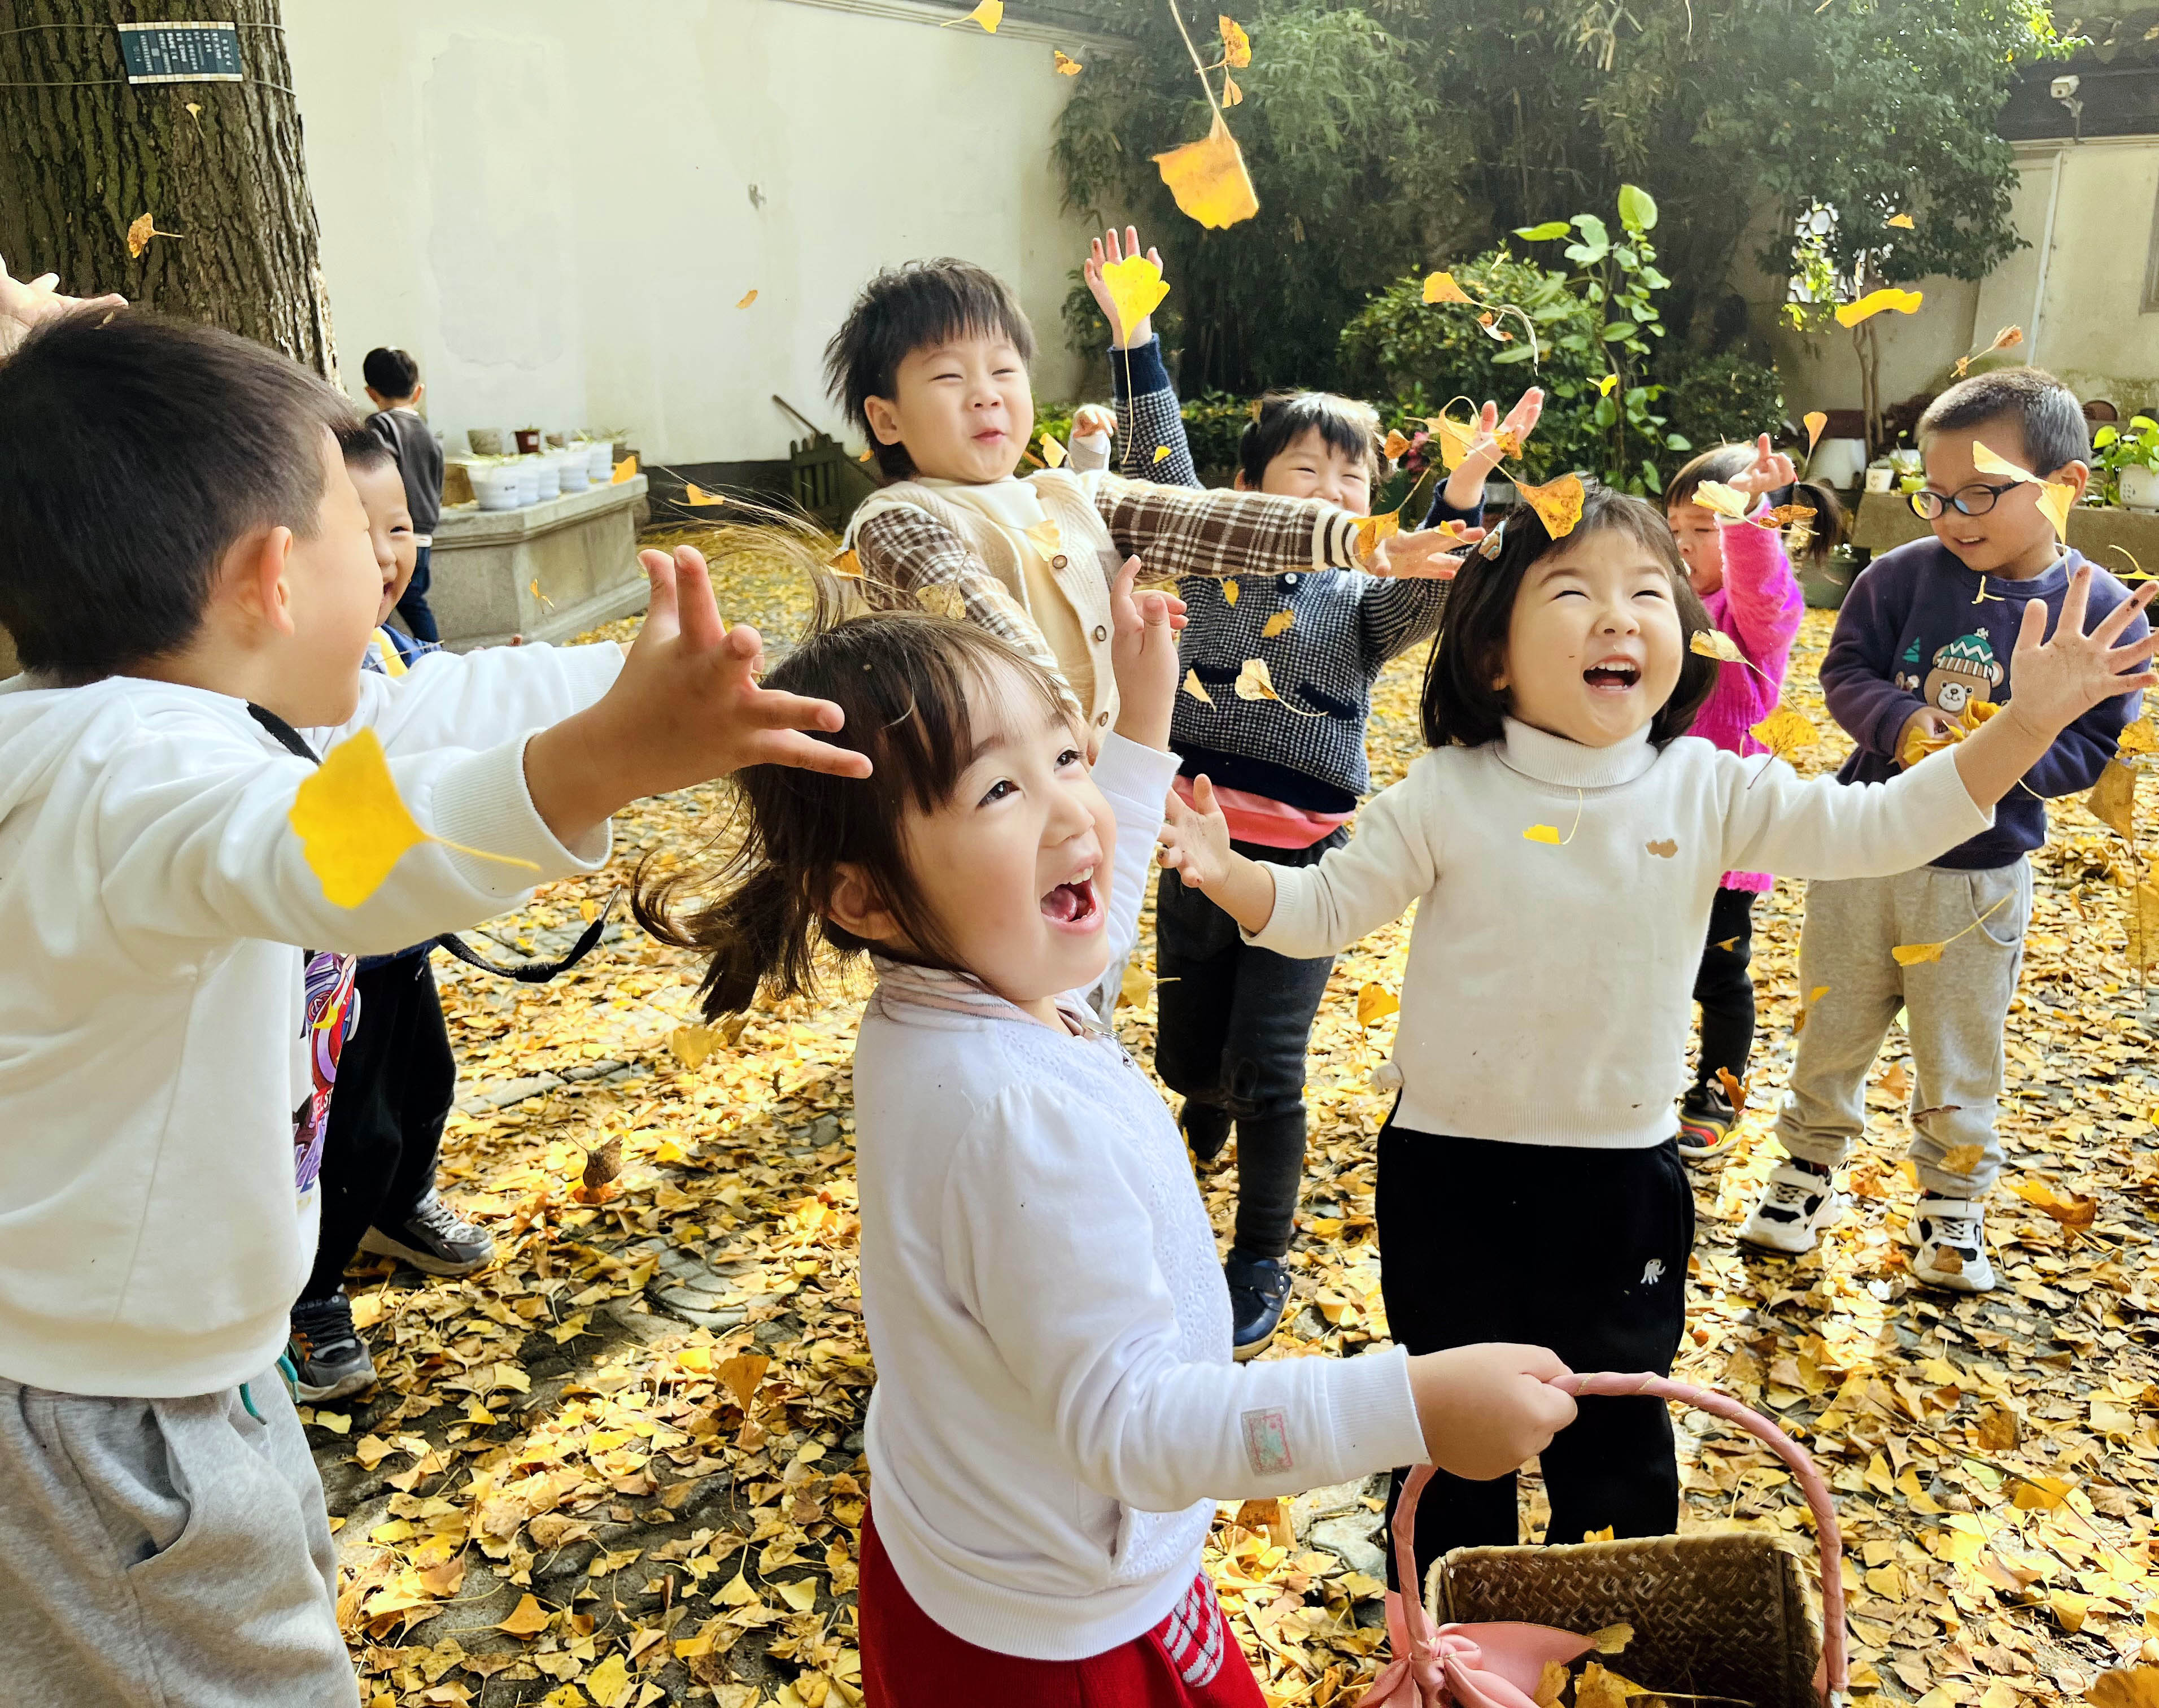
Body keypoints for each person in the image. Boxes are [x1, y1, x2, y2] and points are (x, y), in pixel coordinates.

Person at [0, 296, 867, 1708]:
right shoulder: (132, 771)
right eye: (374, 545)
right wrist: (594, 767)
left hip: (176, 1365)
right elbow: (326, 855)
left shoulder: (185, 716)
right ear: (276, 577)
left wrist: (686, 689)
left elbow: (433, 716)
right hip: (104, 1420)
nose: (397, 578)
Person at [1156, 477, 2159, 1583]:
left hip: (1620, 1181)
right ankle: (1449, 1622)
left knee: (1617, 1430)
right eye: (1574, 591)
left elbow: (1889, 823)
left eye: (1649, 589)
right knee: (1449, 1428)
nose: (1619, 614)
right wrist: (1230, 876)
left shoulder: (1708, 788)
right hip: (1444, 1172)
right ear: (1493, 652)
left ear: (1683, 637)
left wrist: (2025, 723)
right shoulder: (1446, 794)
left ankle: (1609, 1623)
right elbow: (1321, 914)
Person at [634, 559, 1577, 1707]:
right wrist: (1410, 1406)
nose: (1076, 811)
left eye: (1065, 755)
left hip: (976, 1541)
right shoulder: (1008, 1113)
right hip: (1057, 1631)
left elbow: (1095, 890)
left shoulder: (957, 993)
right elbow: (1133, 1425)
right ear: (866, 898)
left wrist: (1137, 720)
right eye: (999, 792)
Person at [1067, 225, 1538, 1357]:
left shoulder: (1358, 608)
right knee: (1192, 1055)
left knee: (1270, 1069)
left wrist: (1461, 497)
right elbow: (1160, 467)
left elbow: (1422, 591)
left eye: (1353, 475)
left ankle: (1258, 1253)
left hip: (1304, 870)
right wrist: (1135, 336)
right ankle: (1203, 1092)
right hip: (1194, 848)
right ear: (1255, 488)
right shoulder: (1208, 555)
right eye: (1307, 470)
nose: (1335, 490)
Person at [1742, 367, 2153, 1293]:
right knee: (1832, 1019)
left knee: (1959, 1043)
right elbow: (1845, 668)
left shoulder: (2099, 609)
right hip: (1862, 853)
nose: (1953, 515)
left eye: (1979, 492)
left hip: (1977, 876)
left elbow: (2087, 749)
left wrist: (2004, 750)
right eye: (1934, 495)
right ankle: (1805, 1170)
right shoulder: (1897, 578)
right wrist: (1900, 722)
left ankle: (1951, 1205)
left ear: (2065, 484)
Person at [823, 257, 1470, 742]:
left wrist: (1356, 537)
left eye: (1003, 370)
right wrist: (1078, 754)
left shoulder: (1067, 494)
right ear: (887, 421)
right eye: (948, 375)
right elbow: (987, 627)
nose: (986, 393)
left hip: (1076, 792)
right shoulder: (897, 521)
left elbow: (1201, 519)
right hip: (980, 800)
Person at [285, 427, 495, 1401]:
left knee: (424, 1092)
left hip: (401, 944)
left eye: (399, 525)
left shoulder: (392, 646)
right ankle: (312, 1290)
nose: (383, 552)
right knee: (347, 1129)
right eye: (354, 529)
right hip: (330, 965)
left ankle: (399, 1206)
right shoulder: (289, 676)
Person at [1656, 437, 1843, 1165]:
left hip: (1727, 835)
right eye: (1679, 531)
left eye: (1702, 531)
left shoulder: (1755, 616)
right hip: (1654, 821)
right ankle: (1645, 1076)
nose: (1687, 547)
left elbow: (1761, 586)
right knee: (1648, 959)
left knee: (1719, 974)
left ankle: (1717, 1092)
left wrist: (1745, 518)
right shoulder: (1664, 603)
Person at [364, 345, 444, 644]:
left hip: (392, 533)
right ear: (418, 391)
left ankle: (434, 654)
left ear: (371, 393)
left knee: (404, 601)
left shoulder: (380, 427)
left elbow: (378, 481)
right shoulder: (427, 433)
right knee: (410, 598)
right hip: (424, 532)